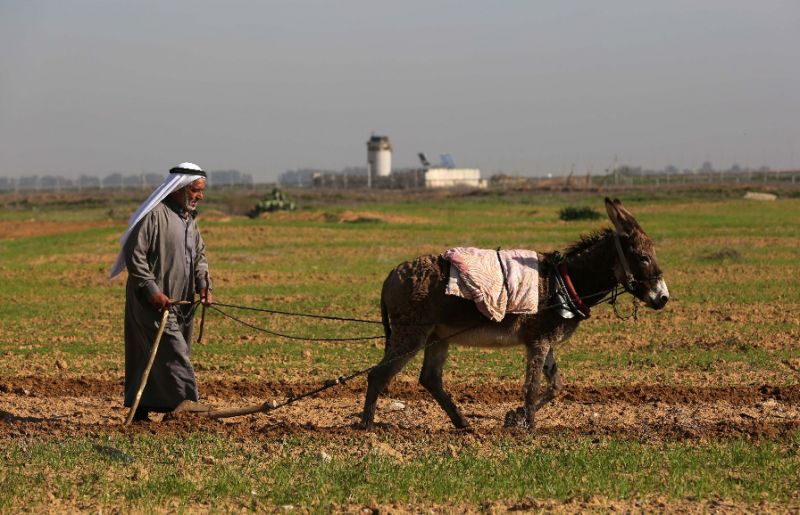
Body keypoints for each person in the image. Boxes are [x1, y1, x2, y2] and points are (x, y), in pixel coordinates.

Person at [110, 162, 213, 421]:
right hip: (152, 302)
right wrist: (152, 290)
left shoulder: (189, 220)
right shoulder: (154, 215)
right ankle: (188, 407)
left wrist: (203, 284)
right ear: (178, 188)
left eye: (201, 191)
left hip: (182, 302)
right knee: (174, 352)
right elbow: (136, 256)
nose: (199, 196)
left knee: (157, 354)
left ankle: (143, 409)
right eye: (195, 190)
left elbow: (199, 255)